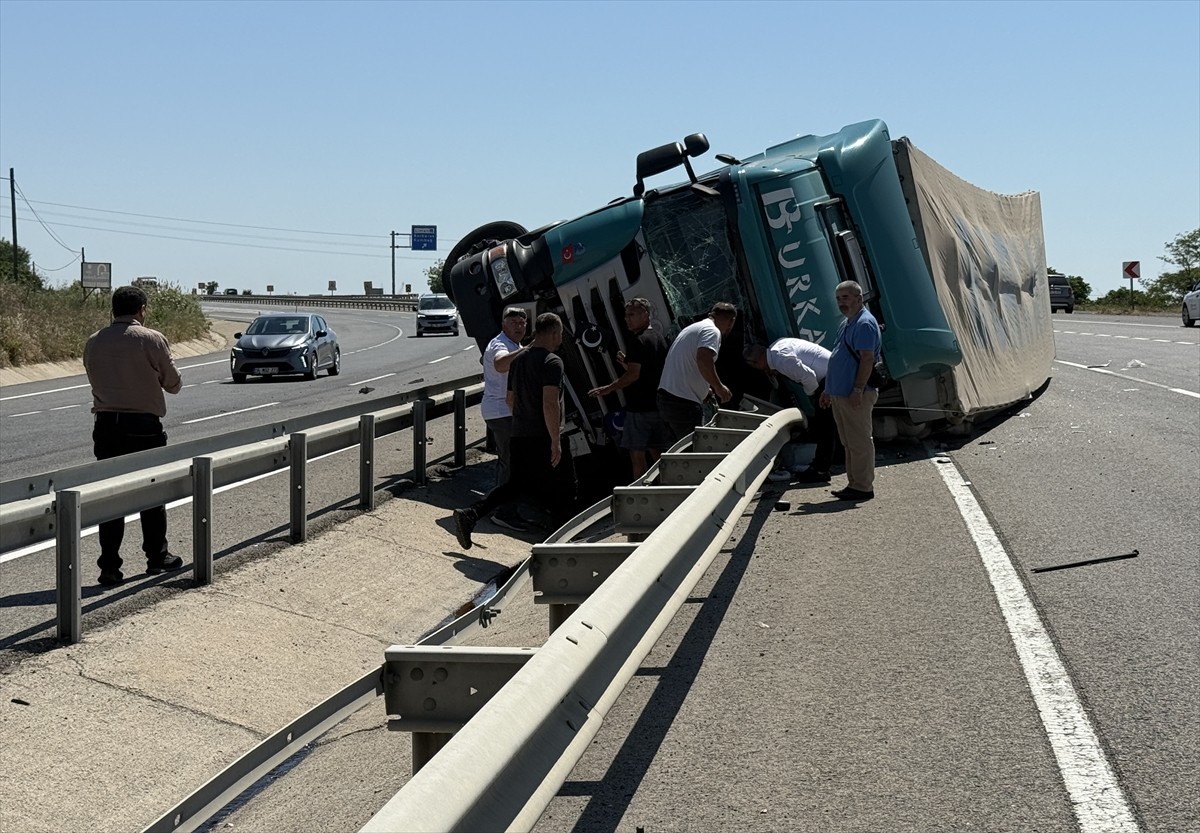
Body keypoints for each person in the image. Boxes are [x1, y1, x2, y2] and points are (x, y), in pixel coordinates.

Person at [83, 285, 184, 586]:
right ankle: (156, 557)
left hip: (106, 425)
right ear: (142, 309)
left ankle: (110, 567)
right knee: (152, 492)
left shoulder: (94, 342)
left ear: (113, 310)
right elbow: (174, 383)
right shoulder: (151, 339)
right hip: (143, 426)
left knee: (111, 495)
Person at [453, 312, 577, 549]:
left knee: (515, 485)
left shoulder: (519, 359)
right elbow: (550, 403)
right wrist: (555, 440)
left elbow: (511, 399)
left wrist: (523, 419)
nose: (560, 340)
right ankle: (562, 543)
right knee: (567, 487)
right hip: (542, 435)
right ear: (553, 333)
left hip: (520, 433)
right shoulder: (552, 362)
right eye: (559, 335)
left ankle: (471, 515)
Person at [588, 298, 672, 480]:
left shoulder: (638, 341)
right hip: (657, 404)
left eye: (632, 315)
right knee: (658, 451)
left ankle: (641, 492)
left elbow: (634, 375)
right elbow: (648, 371)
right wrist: (628, 363)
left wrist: (608, 389)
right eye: (626, 315)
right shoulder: (658, 337)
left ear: (645, 314)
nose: (627, 319)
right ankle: (669, 483)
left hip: (640, 408)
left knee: (637, 453)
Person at [743, 337, 840, 484]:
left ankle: (821, 470)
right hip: (832, 371)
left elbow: (809, 377)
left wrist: (814, 397)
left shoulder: (780, 360)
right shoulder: (777, 347)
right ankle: (822, 465)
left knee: (825, 426)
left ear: (755, 363)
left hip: (828, 378)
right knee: (826, 425)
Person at [820, 280, 882, 501]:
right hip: (840, 393)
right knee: (849, 441)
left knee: (860, 440)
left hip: (855, 393)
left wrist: (857, 388)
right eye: (838, 299)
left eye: (845, 297)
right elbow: (837, 356)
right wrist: (828, 389)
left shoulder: (864, 323)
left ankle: (863, 486)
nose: (841, 303)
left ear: (859, 298)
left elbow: (867, 359)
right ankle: (854, 483)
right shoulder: (847, 322)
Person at [480, 306, 531, 531]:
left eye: (522, 323)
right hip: (500, 411)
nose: (518, 327)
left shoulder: (515, 345)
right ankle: (503, 512)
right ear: (503, 325)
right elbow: (501, 364)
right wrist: (529, 349)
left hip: (509, 411)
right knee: (511, 463)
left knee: (513, 463)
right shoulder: (499, 344)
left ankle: (498, 505)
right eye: (513, 323)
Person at [656, 302, 737, 442]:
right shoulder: (712, 331)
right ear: (731, 321)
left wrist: (705, 389)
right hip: (682, 403)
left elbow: (690, 363)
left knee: (680, 449)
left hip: (668, 399)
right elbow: (704, 359)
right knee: (694, 449)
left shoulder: (694, 328)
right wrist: (719, 387)